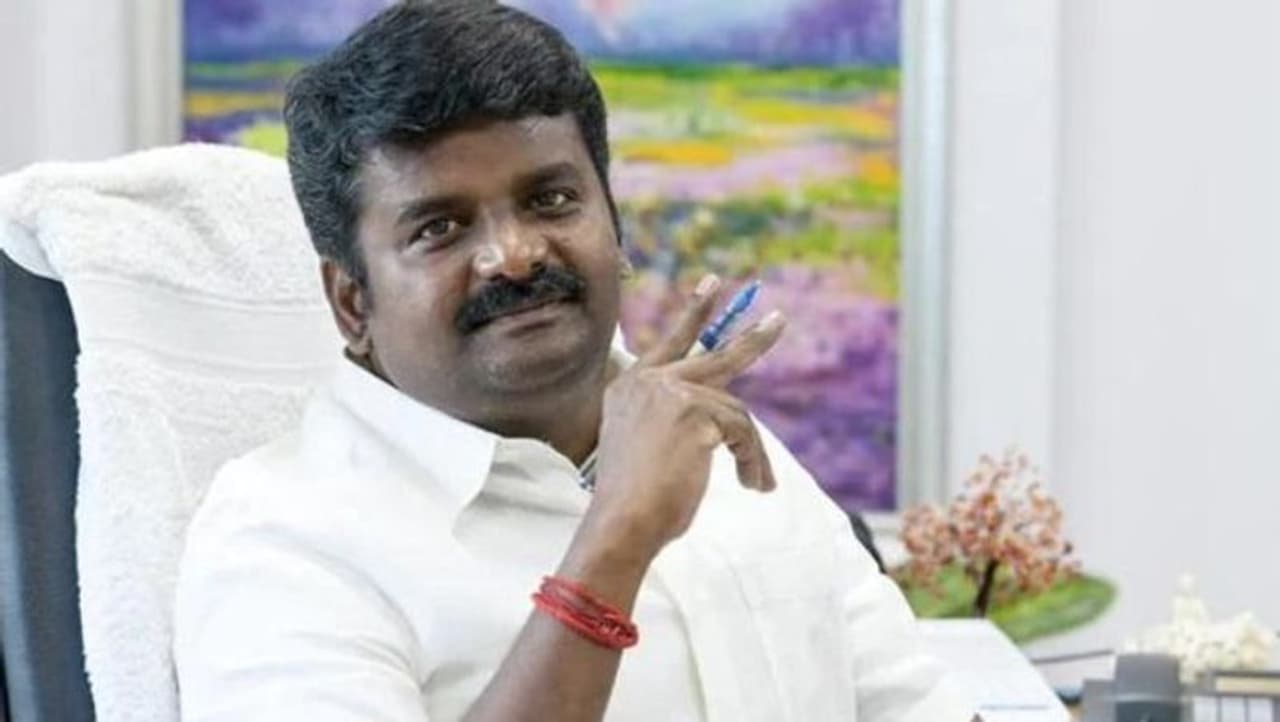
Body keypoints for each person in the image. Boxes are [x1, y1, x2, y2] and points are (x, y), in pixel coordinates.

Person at [172, 2, 975, 720]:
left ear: (613, 227)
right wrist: (618, 535)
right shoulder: (282, 540)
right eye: (439, 228)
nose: (515, 255)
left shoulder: (726, 454)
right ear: (352, 302)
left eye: (550, 200)